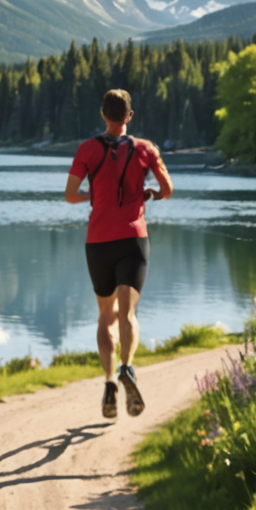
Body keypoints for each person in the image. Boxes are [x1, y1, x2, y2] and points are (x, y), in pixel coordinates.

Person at [63, 89, 173, 419]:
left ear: (103, 114)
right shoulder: (146, 149)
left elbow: (70, 195)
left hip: (99, 242)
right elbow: (167, 190)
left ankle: (110, 381)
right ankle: (127, 368)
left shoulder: (87, 149)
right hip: (133, 240)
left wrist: (95, 196)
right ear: (129, 115)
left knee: (105, 315)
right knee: (127, 313)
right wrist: (150, 195)